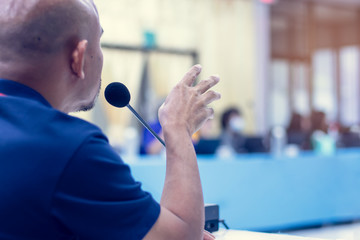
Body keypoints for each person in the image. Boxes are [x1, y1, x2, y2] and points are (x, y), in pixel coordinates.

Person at [0, 0, 221, 239]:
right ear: (79, 57)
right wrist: (178, 127)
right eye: (100, 42)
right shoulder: (69, 149)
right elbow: (182, 237)